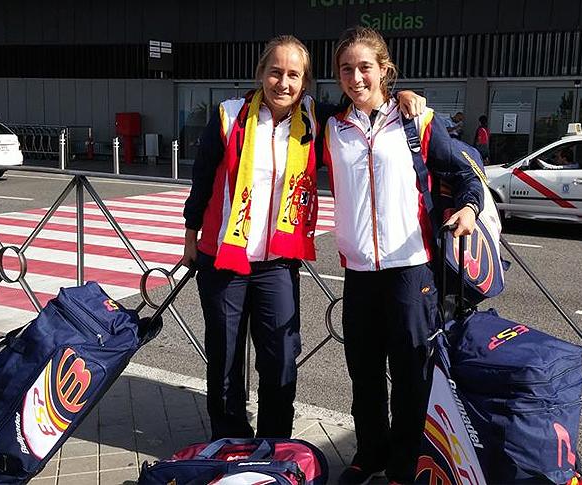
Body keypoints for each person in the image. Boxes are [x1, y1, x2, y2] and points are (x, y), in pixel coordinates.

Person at [182, 35, 426, 440]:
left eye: (294, 75)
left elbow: (364, 99)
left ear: (306, 82)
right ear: (261, 74)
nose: (283, 83)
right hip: (224, 259)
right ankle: (229, 440)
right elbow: (203, 179)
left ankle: (275, 442)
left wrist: (402, 96)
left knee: (280, 358)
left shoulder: (315, 118)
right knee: (224, 358)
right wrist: (191, 235)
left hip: (277, 262)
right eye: (275, 72)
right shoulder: (229, 116)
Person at [323, 26, 483, 484]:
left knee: (411, 375)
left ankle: (405, 462)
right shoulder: (333, 128)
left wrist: (469, 210)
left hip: (411, 271)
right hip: (359, 272)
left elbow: (465, 173)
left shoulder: (416, 121)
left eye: (365, 67)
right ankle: (370, 453)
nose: (356, 77)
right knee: (364, 374)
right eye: (346, 69)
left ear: (384, 70)